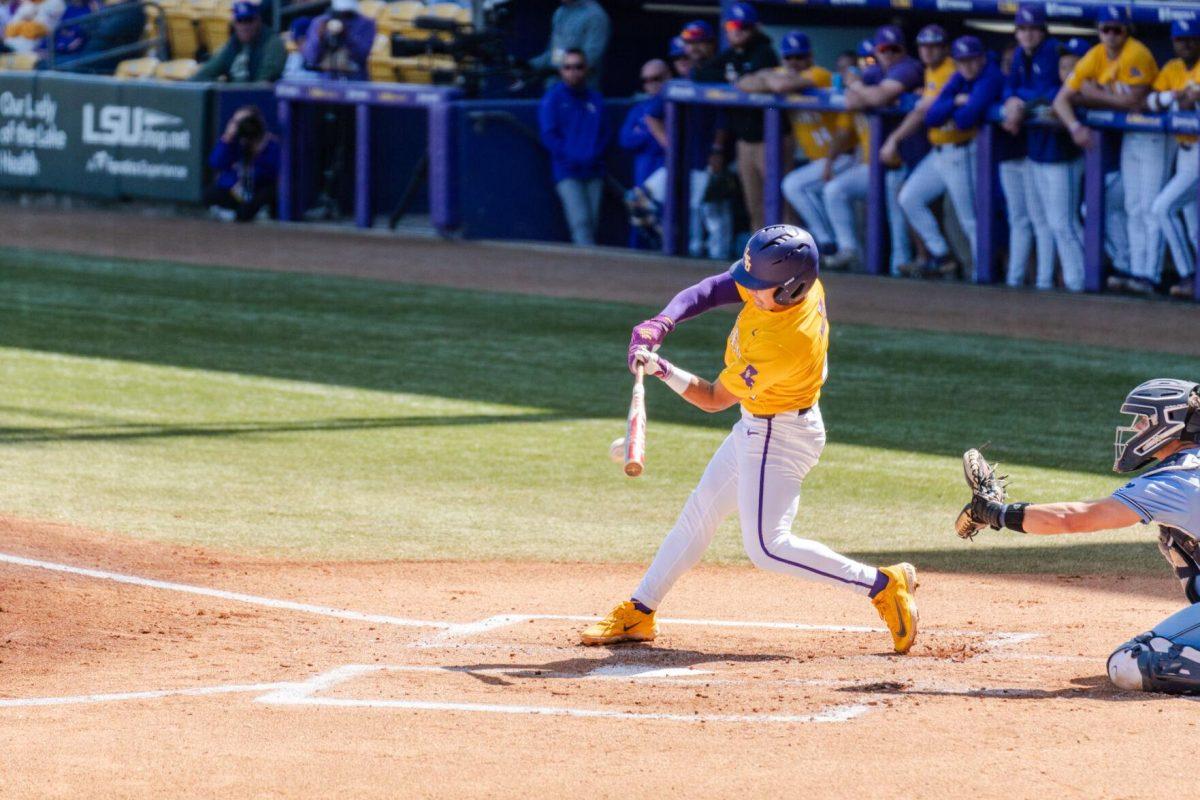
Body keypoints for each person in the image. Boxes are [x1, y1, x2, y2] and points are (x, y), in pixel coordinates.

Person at [580, 224, 919, 654]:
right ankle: (640, 611)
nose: (749, 291)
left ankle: (881, 585)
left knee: (766, 548)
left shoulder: (786, 342)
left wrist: (661, 369)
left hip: (780, 435)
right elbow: (710, 290)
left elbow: (713, 398)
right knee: (699, 512)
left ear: (791, 291)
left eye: (760, 288)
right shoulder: (788, 284)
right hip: (762, 423)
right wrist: (661, 322)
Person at [958, 378, 1200, 695]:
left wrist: (998, 514)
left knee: (1129, 664)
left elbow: (1077, 518)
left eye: (1143, 420)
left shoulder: (1174, 481)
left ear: (1168, 424)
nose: (1136, 428)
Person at [1053, 6, 1162, 294]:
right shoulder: (1095, 56)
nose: (1111, 35)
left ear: (1127, 31)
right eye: (1106, 29)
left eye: (1117, 29)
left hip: (1154, 135)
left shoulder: (1136, 53)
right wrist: (1076, 127)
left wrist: (1093, 94)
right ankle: (1135, 271)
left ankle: (1151, 274)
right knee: (1133, 207)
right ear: (1098, 30)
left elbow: (1135, 103)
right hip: (1131, 136)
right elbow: (1062, 100)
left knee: (1151, 208)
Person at [740, 31, 852, 257]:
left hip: (844, 155)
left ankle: (824, 241)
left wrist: (769, 78)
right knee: (818, 193)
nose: (794, 63)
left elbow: (781, 87)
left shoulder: (819, 74)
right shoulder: (783, 73)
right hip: (819, 161)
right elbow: (744, 82)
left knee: (793, 184)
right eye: (789, 58)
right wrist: (769, 78)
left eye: (799, 57)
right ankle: (829, 243)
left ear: (809, 56)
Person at [1001, 7, 1084, 292]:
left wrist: (1019, 103)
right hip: (1036, 150)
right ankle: (1051, 281)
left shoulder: (1051, 51)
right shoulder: (1021, 55)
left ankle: (1079, 283)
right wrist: (1013, 101)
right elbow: (1009, 88)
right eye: (1022, 29)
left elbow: (1050, 91)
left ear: (1043, 30)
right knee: (1046, 220)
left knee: (1064, 222)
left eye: (1033, 28)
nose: (1027, 34)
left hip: (1061, 151)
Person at [641, 20, 734, 260]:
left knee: (714, 215)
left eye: (698, 43)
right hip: (688, 158)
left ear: (711, 43)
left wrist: (717, 150)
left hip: (715, 155)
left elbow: (724, 119)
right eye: (688, 45)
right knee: (686, 215)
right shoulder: (684, 80)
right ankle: (677, 254)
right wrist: (671, 147)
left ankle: (721, 264)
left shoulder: (720, 72)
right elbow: (652, 116)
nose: (691, 50)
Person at [843, 25, 924, 276]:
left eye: (894, 48)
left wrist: (858, 86)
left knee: (906, 215)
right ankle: (898, 268)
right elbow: (851, 102)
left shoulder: (908, 67)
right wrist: (863, 90)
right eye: (883, 49)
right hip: (895, 156)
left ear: (903, 50)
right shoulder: (878, 71)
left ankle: (920, 265)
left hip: (917, 153)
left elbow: (875, 98)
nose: (888, 53)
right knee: (896, 216)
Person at [877, 25, 956, 276]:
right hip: (940, 152)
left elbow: (923, 111)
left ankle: (981, 275)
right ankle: (941, 256)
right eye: (925, 46)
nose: (929, 51)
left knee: (966, 220)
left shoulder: (949, 69)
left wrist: (893, 139)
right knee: (909, 197)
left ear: (945, 48)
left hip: (963, 150)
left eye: (935, 46)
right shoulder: (930, 72)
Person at [1147, 20, 1200, 300]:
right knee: (1193, 228)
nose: (1187, 44)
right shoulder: (1171, 69)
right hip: (1184, 151)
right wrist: (1175, 96)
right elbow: (1150, 102)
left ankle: (1189, 275)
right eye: (1181, 39)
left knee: (1162, 208)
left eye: (1192, 38)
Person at [717, 1, 779, 234]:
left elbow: (753, 79)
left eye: (744, 26)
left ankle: (797, 255)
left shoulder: (765, 52)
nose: (738, 30)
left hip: (770, 139)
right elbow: (702, 73)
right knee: (755, 206)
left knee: (779, 202)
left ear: (754, 28)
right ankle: (762, 260)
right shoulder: (731, 54)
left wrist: (736, 77)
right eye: (733, 25)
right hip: (745, 141)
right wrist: (733, 76)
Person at [819, 39, 880, 271]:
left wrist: (854, 85)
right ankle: (852, 253)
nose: (867, 66)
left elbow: (865, 97)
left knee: (898, 223)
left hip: (891, 166)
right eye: (864, 61)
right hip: (865, 164)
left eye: (871, 60)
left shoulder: (883, 84)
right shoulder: (857, 86)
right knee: (839, 194)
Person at [539, 48, 609, 246]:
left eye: (578, 67)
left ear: (586, 69)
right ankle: (586, 269)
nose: (573, 72)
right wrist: (572, 156)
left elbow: (605, 133)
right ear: (561, 71)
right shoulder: (553, 99)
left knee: (591, 223)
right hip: (567, 171)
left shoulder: (595, 99)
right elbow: (549, 135)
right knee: (581, 223)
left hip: (594, 170)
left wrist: (594, 155)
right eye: (568, 67)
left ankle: (588, 268)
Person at [619, 58, 669, 248]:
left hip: (668, 174)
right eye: (646, 80)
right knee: (639, 226)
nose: (651, 84)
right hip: (643, 172)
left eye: (656, 78)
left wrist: (646, 132)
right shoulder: (639, 109)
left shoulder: (677, 106)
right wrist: (655, 133)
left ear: (667, 77)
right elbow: (626, 140)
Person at [204, 105, 280, 223]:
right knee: (209, 194)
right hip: (239, 191)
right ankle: (235, 214)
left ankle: (246, 214)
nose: (243, 126)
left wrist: (259, 149)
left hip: (259, 191)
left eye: (245, 121)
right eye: (237, 122)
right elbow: (215, 163)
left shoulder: (272, 144)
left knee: (265, 196)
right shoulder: (234, 143)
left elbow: (275, 173)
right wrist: (227, 138)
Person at [192, 0, 285, 83]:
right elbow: (204, 74)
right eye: (240, 21)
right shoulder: (233, 44)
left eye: (249, 20)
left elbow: (263, 84)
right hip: (232, 97)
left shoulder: (272, 42)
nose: (244, 26)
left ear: (258, 20)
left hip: (256, 99)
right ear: (234, 24)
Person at [528, 0, 609, 89]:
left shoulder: (595, 15)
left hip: (580, 93)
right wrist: (528, 66)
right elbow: (556, 55)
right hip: (554, 90)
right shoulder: (560, 12)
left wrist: (559, 69)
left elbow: (590, 59)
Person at [302, 0, 374, 80]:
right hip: (325, 81)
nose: (343, 15)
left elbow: (362, 56)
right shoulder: (320, 22)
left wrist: (346, 35)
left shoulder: (366, 23)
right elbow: (310, 57)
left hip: (354, 81)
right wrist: (320, 37)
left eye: (346, 13)